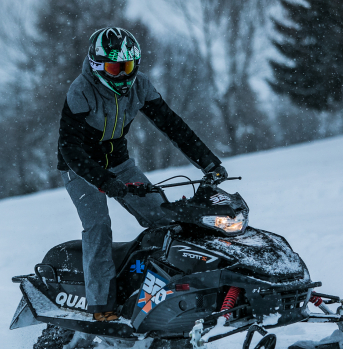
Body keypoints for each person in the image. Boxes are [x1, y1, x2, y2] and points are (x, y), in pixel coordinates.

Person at [58, 27, 227, 322]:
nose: (124, 75)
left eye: (129, 66)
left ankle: (168, 288)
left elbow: (173, 125)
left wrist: (209, 163)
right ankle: (101, 306)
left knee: (163, 217)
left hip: (120, 164)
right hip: (82, 169)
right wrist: (104, 181)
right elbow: (70, 150)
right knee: (98, 226)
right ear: (98, 66)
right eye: (115, 67)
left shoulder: (141, 86)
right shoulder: (81, 91)